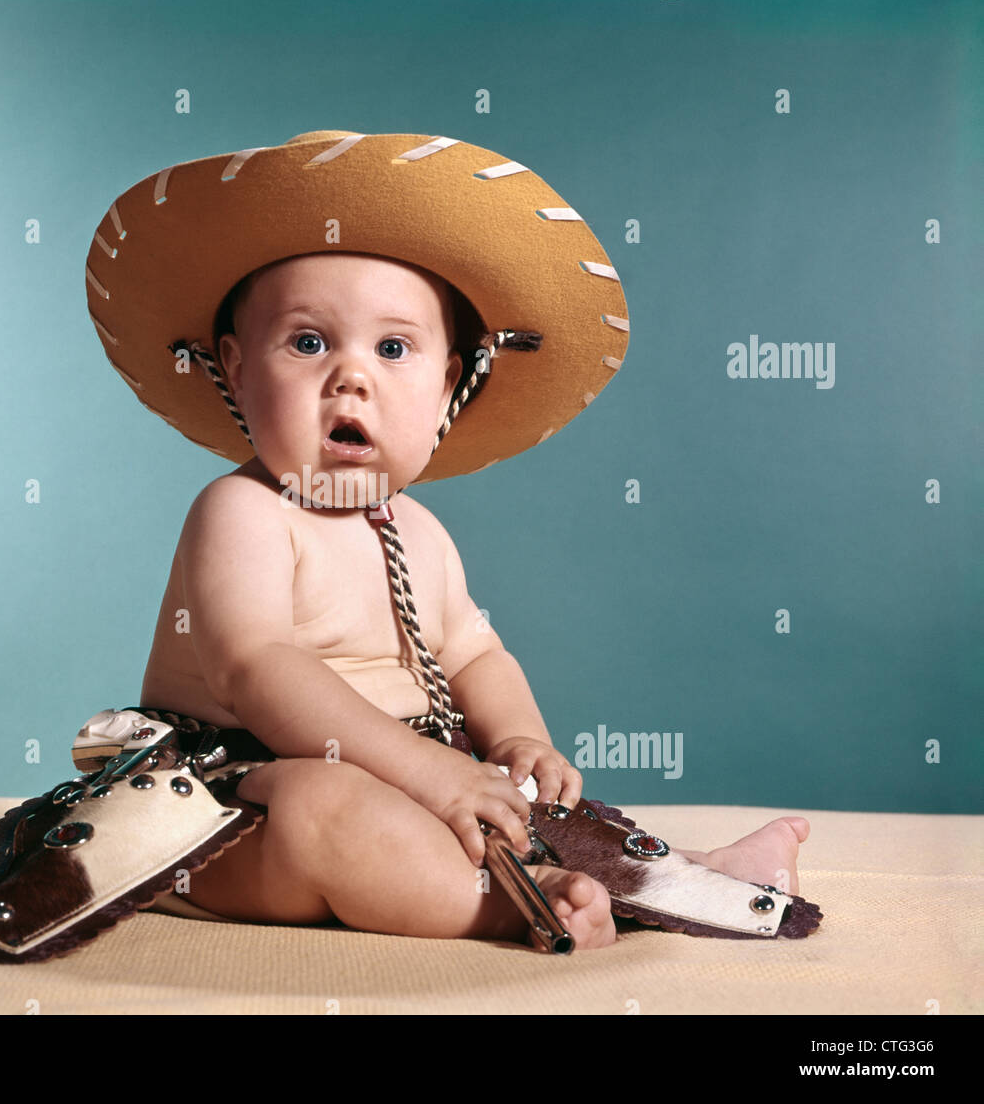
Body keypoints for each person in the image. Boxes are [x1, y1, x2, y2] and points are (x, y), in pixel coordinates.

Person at [96, 132, 812, 948]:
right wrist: (430, 773)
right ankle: (515, 904)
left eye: (394, 348)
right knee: (326, 806)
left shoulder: (421, 534)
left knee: (526, 804)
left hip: (415, 773)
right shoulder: (242, 511)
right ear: (232, 367)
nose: (351, 376)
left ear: (449, 390)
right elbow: (256, 668)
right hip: (232, 804)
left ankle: (693, 875)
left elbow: (474, 656)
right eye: (307, 342)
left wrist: (517, 740)